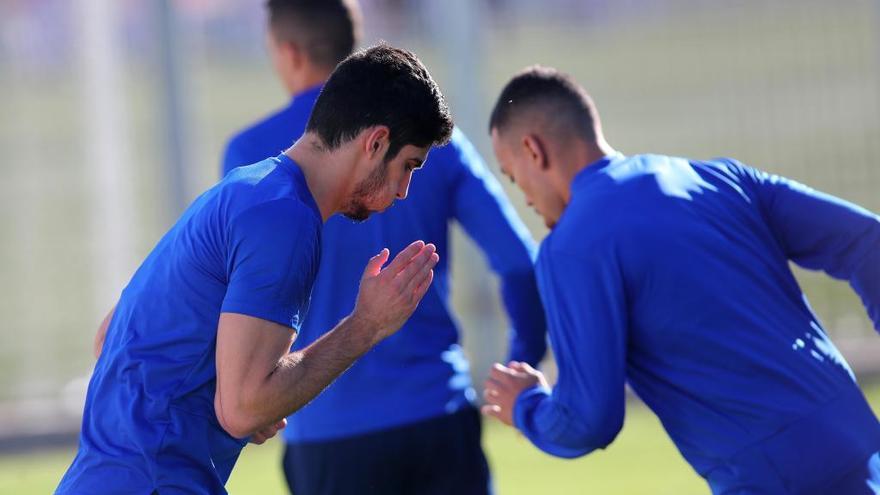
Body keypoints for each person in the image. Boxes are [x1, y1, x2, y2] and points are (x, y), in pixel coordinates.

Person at [55, 43, 453, 495]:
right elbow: (242, 409)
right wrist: (365, 326)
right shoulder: (288, 220)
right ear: (376, 141)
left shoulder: (246, 189)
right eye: (408, 166)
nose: (404, 191)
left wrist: (239, 391)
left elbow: (109, 337)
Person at [482, 65, 880, 494]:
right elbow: (867, 241)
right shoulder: (719, 178)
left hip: (773, 477)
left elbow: (588, 419)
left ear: (533, 150)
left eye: (511, 174)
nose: (521, 195)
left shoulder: (571, 248)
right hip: (859, 438)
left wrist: (524, 405)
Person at [222, 2, 546, 494]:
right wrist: (519, 368)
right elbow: (520, 263)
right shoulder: (431, 143)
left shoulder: (252, 154)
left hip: (326, 431)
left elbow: (232, 295)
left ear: (287, 52)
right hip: (437, 418)